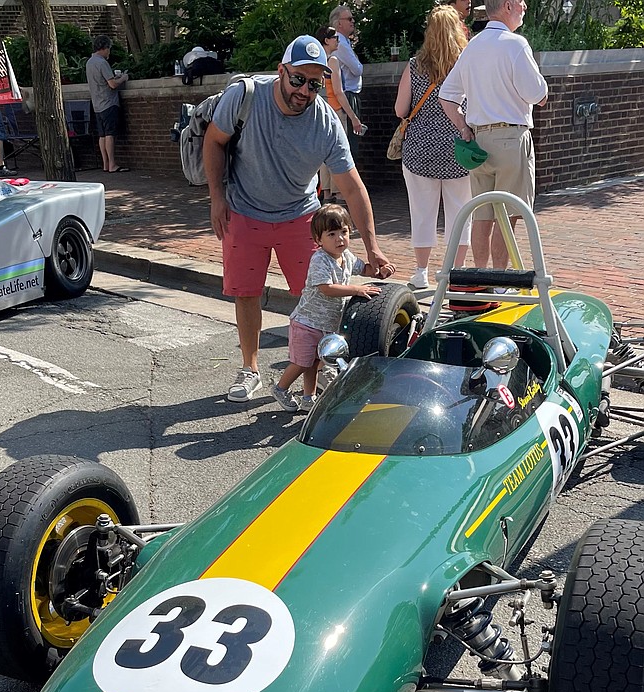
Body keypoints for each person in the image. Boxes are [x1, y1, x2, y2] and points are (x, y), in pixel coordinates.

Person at [203, 34, 394, 404]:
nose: (305, 91)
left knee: (316, 294)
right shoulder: (244, 96)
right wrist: (216, 197)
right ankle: (250, 368)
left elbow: (353, 188)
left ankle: (316, 370)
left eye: (315, 83)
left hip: (300, 216)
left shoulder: (325, 121)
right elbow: (214, 141)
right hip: (243, 209)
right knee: (246, 293)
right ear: (281, 71)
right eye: (298, 79)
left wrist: (373, 248)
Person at [439, 0, 547, 269]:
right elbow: (538, 95)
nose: (524, 7)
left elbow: (447, 96)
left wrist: (463, 128)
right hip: (510, 137)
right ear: (508, 5)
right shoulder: (515, 44)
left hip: (477, 139)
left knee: (483, 214)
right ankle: (499, 281)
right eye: (521, 3)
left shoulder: (472, 45)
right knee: (508, 212)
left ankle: (480, 277)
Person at [272, 204, 387, 412]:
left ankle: (309, 397)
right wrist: (356, 290)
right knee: (302, 363)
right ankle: (281, 388)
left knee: (315, 362)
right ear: (318, 240)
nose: (339, 239)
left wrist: (380, 270)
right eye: (331, 234)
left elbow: (366, 269)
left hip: (326, 324)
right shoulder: (320, 259)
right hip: (307, 322)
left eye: (343, 232)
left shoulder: (347, 257)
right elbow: (327, 288)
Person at [394, 5, 472, 291]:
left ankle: (421, 271)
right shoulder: (466, 65)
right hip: (459, 148)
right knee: (461, 212)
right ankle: (456, 270)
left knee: (422, 211)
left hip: (419, 150)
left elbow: (400, 108)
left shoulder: (415, 65)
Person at [315, 25, 364, 204]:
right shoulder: (333, 61)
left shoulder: (317, 59)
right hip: (335, 110)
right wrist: (353, 117)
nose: (338, 40)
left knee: (323, 152)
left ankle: (327, 192)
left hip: (320, 110)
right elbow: (338, 91)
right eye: (334, 37)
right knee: (337, 150)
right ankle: (339, 192)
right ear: (327, 40)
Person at [86, 35, 130, 173]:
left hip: (97, 104)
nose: (109, 52)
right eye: (108, 49)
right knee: (110, 134)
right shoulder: (102, 63)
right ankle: (112, 164)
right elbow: (112, 84)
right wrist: (123, 78)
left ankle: (105, 164)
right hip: (108, 103)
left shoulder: (89, 62)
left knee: (102, 135)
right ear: (104, 48)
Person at [329, 5, 363, 163]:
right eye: (349, 19)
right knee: (350, 143)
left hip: (348, 94)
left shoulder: (343, 42)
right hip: (347, 95)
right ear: (338, 23)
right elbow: (357, 69)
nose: (353, 21)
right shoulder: (340, 43)